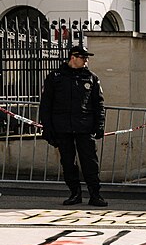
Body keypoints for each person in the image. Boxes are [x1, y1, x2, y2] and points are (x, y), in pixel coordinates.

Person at [40, 45, 108, 207]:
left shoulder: (91, 78)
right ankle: (75, 193)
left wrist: (99, 125)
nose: (86, 61)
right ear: (73, 57)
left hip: (85, 127)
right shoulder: (55, 77)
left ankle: (95, 195)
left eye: (87, 58)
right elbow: (46, 104)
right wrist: (47, 128)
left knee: (90, 162)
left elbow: (99, 103)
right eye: (83, 58)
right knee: (68, 163)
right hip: (62, 128)